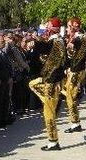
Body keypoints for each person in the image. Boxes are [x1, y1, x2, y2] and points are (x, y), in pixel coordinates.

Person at [29, 18, 67, 151]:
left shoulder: (55, 41)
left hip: (51, 81)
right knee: (33, 85)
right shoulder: (58, 40)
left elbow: (43, 48)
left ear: (54, 28)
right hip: (54, 80)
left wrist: (36, 41)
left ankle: (53, 141)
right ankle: (53, 140)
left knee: (48, 112)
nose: (46, 28)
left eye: (48, 26)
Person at [64, 17, 86, 133]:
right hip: (78, 69)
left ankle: (75, 123)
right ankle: (75, 121)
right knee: (70, 94)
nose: (67, 29)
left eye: (69, 26)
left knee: (70, 97)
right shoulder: (83, 37)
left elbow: (70, 49)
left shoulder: (77, 38)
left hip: (75, 70)